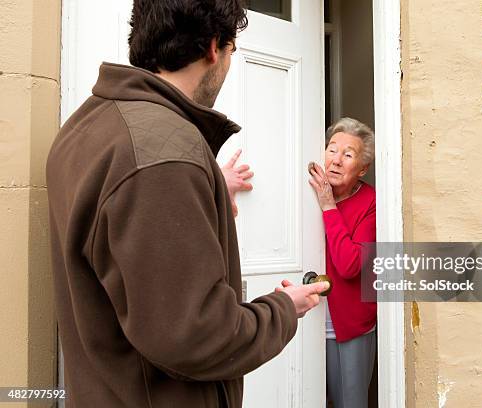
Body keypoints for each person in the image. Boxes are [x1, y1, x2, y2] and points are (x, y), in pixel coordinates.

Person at [46, 1, 329, 407]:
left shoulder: (87, 126)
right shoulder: (164, 154)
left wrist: (205, 195)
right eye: (233, 51)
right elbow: (198, 336)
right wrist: (284, 308)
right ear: (215, 47)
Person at [308, 117, 377, 408]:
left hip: (348, 325)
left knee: (350, 402)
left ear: (362, 168)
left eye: (347, 155)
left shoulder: (371, 202)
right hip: (306, 318)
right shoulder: (303, 191)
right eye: (332, 149)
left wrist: (328, 206)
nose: (335, 160)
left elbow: (350, 265)